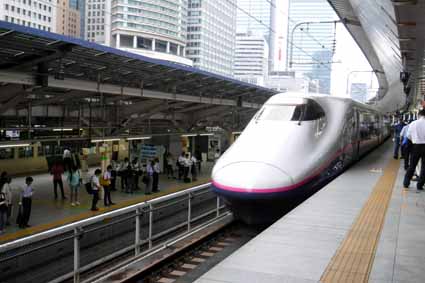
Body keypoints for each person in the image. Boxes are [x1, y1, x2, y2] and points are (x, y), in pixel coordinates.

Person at [403, 109, 425, 191]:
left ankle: (406, 183)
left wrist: (415, 140)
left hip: (416, 146)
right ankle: (420, 185)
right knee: (424, 167)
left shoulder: (413, 123)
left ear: (419, 115)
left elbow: (408, 135)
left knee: (412, 165)